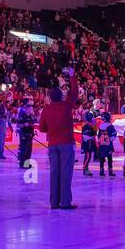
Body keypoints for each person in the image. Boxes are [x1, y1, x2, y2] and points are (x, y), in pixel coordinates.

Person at [38, 67, 79, 209]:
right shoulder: (66, 105)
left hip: (52, 145)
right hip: (66, 144)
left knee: (54, 173)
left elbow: (42, 128)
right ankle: (65, 202)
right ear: (61, 96)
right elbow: (74, 92)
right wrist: (72, 76)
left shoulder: (46, 109)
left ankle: (54, 202)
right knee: (65, 173)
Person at [16, 97, 35, 169]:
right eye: (31, 109)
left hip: (29, 135)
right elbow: (18, 124)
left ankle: (26, 163)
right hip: (24, 134)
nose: (32, 110)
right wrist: (24, 125)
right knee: (24, 149)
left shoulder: (30, 115)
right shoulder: (22, 113)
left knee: (29, 150)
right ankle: (22, 163)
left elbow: (32, 124)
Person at [80, 110, 97, 176]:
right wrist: (92, 137)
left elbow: (95, 133)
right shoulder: (86, 126)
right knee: (87, 156)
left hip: (90, 143)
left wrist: (94, 126)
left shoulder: (91, 125)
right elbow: (85, 136)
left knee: (88, 156)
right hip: (87, 144)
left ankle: (86, 168)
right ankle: (85, 169)